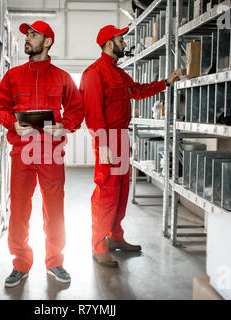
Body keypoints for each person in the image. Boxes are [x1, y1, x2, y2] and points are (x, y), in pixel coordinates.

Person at [80, 25, 181, 268]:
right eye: (121, 39)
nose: (125, 43)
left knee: (122, 190)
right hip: (108, 138)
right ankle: (99, 245)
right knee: (106, 192)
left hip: (122, 137)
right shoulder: (94, 73)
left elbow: (137, 91)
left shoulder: (118, 73)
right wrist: (103, 142)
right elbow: (92, 111)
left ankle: (115, 237)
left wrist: (166, 82)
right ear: (108, 43)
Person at [0, 20, 84, 287]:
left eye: (34, 34)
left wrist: (63, 126)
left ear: (48, 41)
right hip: (22, 151)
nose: (28, 38)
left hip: (51, 153)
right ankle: (20, 263)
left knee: (54, 210)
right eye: (27, 34)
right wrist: (13, 124)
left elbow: (77, 110)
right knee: (19, 209)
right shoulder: (13, 76)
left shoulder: (62, 77)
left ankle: (55, 261)